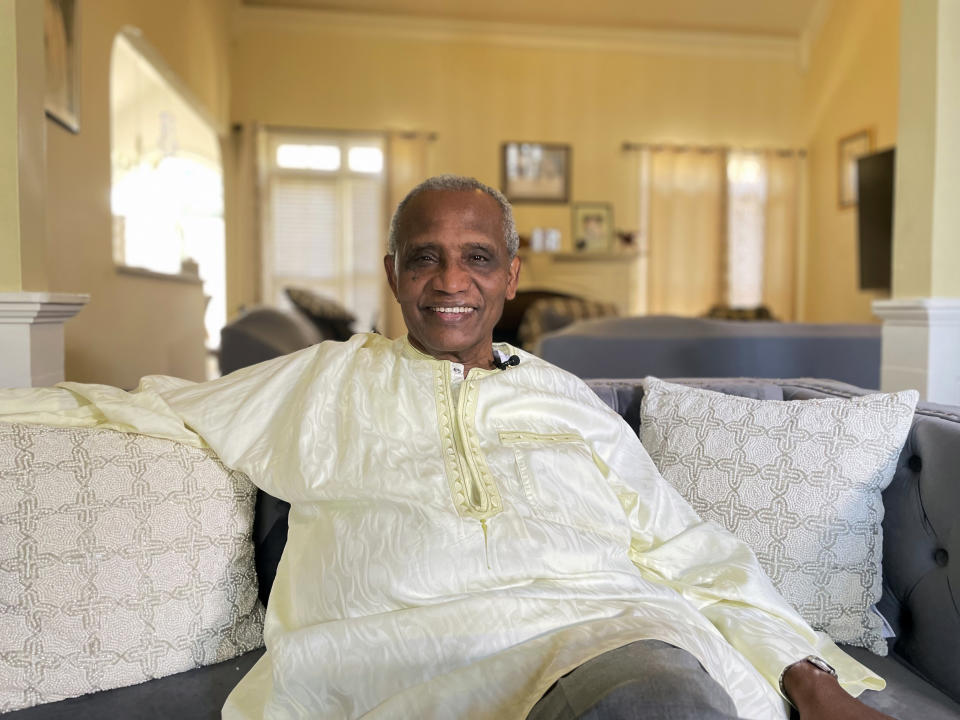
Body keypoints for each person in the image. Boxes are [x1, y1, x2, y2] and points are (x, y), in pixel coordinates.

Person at [0, 175, 894, 720]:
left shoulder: (571, 401)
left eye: (476, 258)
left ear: (510, 277)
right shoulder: (318, 380)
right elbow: (148, 411)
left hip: (611, 643)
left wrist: (812, 683)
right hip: (393, 667)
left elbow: (687, 549)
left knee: (659, 692)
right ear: (392, 276)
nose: (450, 282)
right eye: (424, 258)